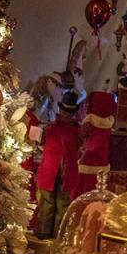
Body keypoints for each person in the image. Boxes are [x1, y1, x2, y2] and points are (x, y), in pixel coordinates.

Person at [35, 91, 81, 237]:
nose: (66, 115)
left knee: (62, 207)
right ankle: (43, 236)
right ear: (60, 110)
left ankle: (57, 238)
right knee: (46, 206)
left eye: (70, 112)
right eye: (64, 111)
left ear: (73, 113)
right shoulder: (50, 128)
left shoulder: (77, 131)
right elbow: (39, 143)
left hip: (65, 174)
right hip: (49, 172)